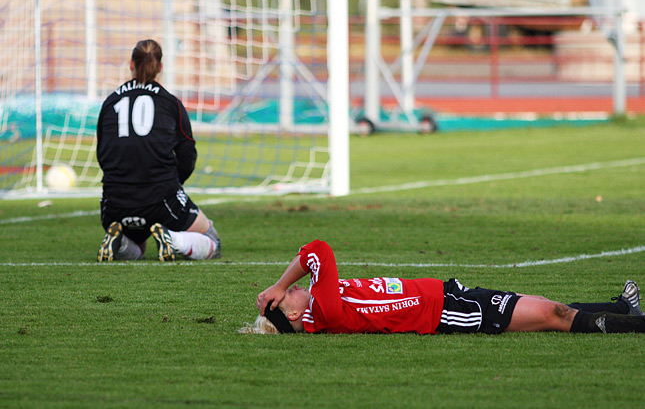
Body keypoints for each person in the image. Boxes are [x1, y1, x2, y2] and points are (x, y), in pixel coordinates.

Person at [245, 239, 644, 335]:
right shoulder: (326, 310)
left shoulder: (321, 303)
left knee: (540, 309)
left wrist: (279, 292)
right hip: (449, 312)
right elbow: (318, 251)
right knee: (552, 315)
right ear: (294, 312)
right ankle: (633, 325)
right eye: (289, 296)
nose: (294, 290)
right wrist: (278, 285)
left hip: (446, 294)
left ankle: (623, 310)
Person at [96, 39, 220, 262]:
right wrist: (173, 185)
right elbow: (187, 155)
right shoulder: (170, 103)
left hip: (114, 203)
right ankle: (172, 238)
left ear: (131, 64)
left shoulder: (109, 102)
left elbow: (102, 154)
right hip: (161, 199)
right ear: (160, 67)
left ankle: (120, 242)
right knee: (213, 241)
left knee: (138, 247)